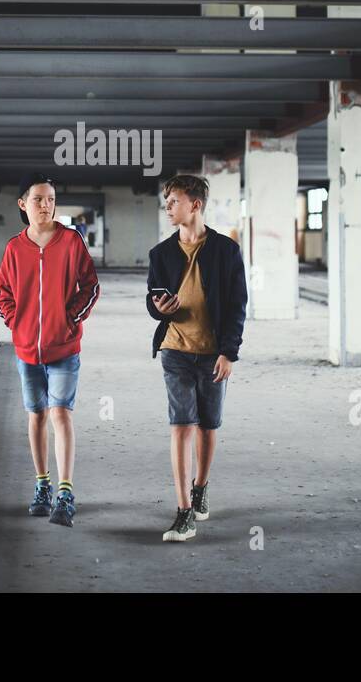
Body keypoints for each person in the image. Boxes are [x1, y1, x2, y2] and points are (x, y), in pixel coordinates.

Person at [146, 174, 247, 543]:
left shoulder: (226, 251)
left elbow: (237, 305)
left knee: (208, 425)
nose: (168, 207)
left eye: (173, 200)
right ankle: (184, 510)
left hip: (212, 353)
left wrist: (229, 352)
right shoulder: (161, 253)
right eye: (167, 201)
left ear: (195, 205)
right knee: (182, 425)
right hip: (175, 349)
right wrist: (159, 308)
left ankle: (201, 486)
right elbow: (151, 300)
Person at [0, 172, 100, 528]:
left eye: (51, 199)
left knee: (61, 414)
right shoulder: (14, 248)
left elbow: (90, 285)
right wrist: (17, 323)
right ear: (23, 204)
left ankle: (65, 492)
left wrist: (72, 318)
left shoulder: (71, 242)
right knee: (36, 415)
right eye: (38, 199)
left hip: (64, 347)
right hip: (27, 349)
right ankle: (42, 485)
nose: (46, 205)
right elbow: (4, 294)